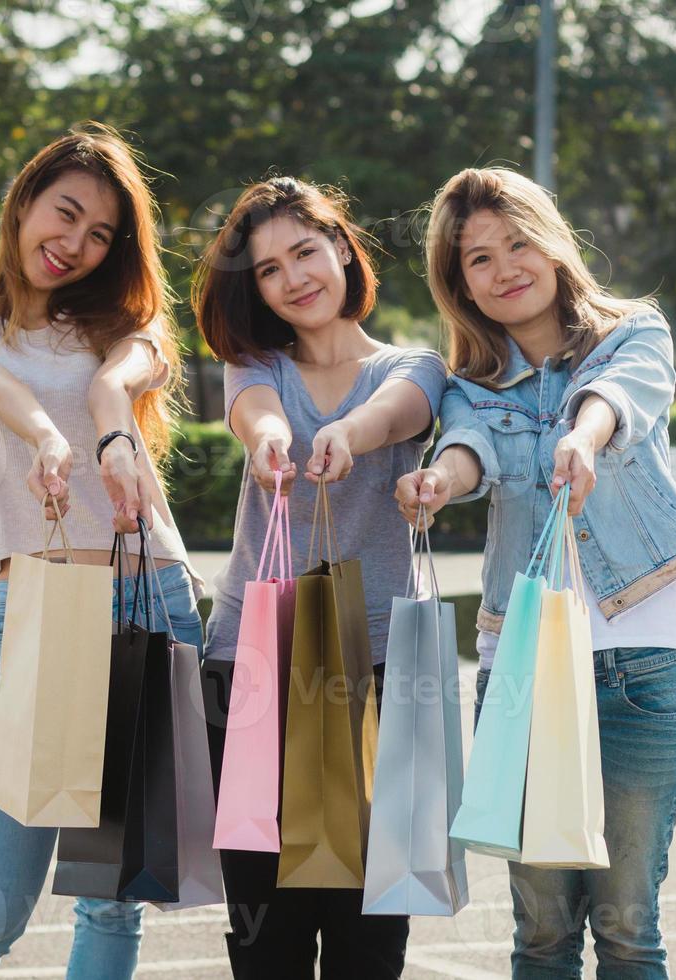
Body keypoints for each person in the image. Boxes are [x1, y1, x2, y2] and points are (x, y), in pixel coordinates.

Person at [396, 166, 676, 979]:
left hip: (642, 662)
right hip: (521, 670)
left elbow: (619, 397)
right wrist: (439, 484)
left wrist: (583, 433)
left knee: (627, 929)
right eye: (478, 259)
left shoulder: (635, 334)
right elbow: (467, 451)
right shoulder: (472, 384)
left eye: (516, 243)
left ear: (551, 242)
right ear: (459, 284)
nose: (504, 267)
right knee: (541, 935)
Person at [0, 122, 204, 980]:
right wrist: (45, 435)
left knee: (114, 899)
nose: (73, 243)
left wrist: (109, 427)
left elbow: (125, 377)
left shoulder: (125, 328)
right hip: (32, 607)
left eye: (100, 233)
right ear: (23, 202)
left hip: (147, 601)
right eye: (63, 214)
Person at [191, 176, 447, 979]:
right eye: (269, 270)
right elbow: (256, 413)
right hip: (255, 666)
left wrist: (348, 433)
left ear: (342, 246)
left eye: (305, 251)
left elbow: (400, 413)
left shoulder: (415, 365)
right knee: (266, 939)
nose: (294, 278)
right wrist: (272, 440)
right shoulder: (255, 363)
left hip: (376, 671)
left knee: (369, 939)